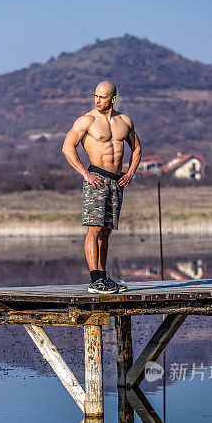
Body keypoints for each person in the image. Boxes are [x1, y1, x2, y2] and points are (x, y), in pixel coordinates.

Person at [62, 81, 142, 294]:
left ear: (113, 99)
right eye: (95, 96)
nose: (97, 100)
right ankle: (94, 279)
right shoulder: (86, 120)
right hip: (96, 178)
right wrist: (85, 174)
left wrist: (130, 173)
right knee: (94, 229)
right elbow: (67, 147)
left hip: (116, 181)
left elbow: (136, 149)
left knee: (106, 231)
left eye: (102, 97)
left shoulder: (124, 121)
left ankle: (103, 277)